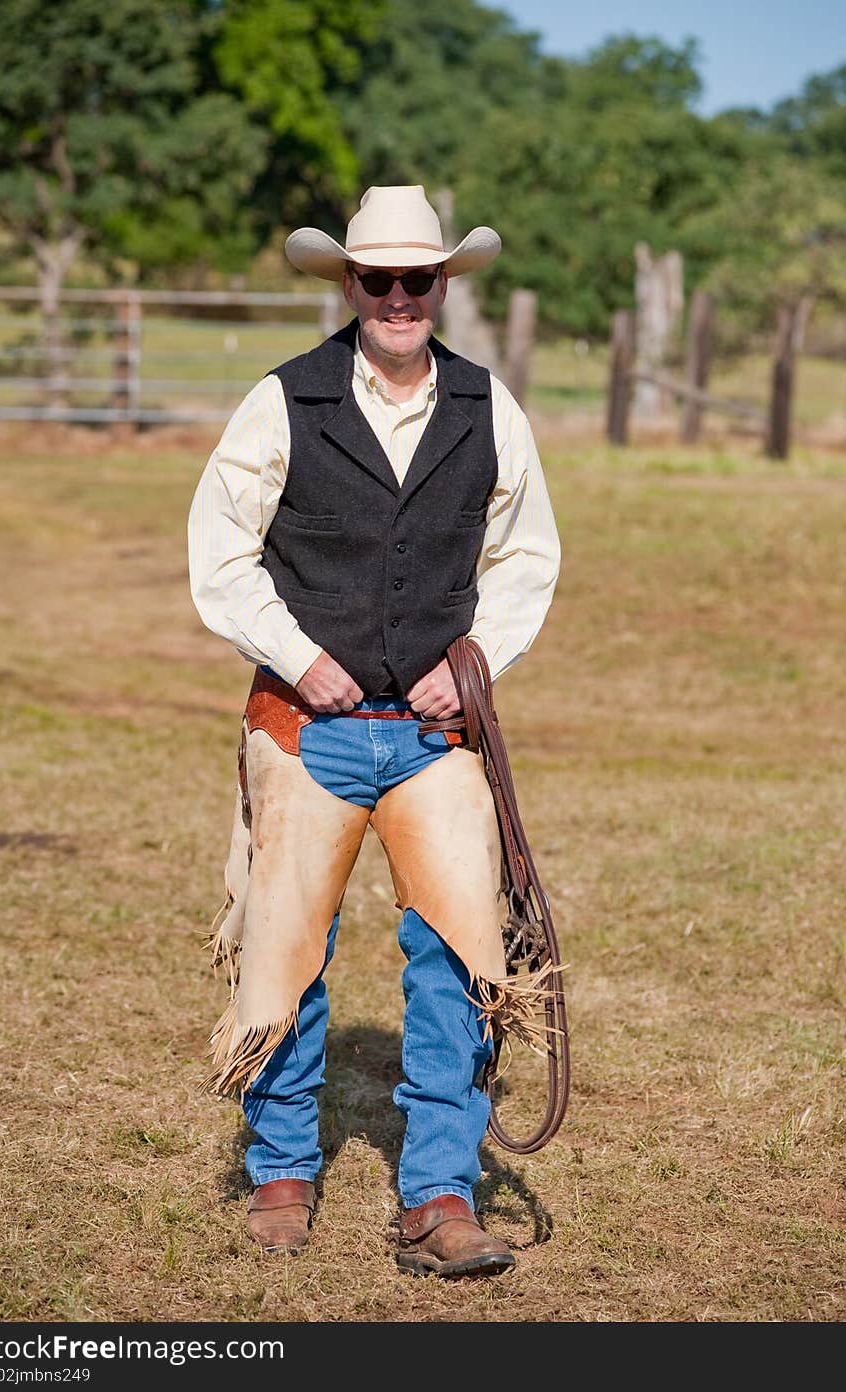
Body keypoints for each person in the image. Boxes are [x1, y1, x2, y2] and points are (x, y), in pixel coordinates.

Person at [187, 184, 560, 1279]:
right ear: (346, 283)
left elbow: (526, 556)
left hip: (435, 735)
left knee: (457, 960)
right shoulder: (281, 402)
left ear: (443, 285)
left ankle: (439, 1194)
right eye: (377, 278)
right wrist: (299, 659)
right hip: (306, 729)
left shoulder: (490, 407)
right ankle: (282, 1171)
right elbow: (219, 549)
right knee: (285, 954)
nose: (398, 297)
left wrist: (473, 657)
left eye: (418, 278)